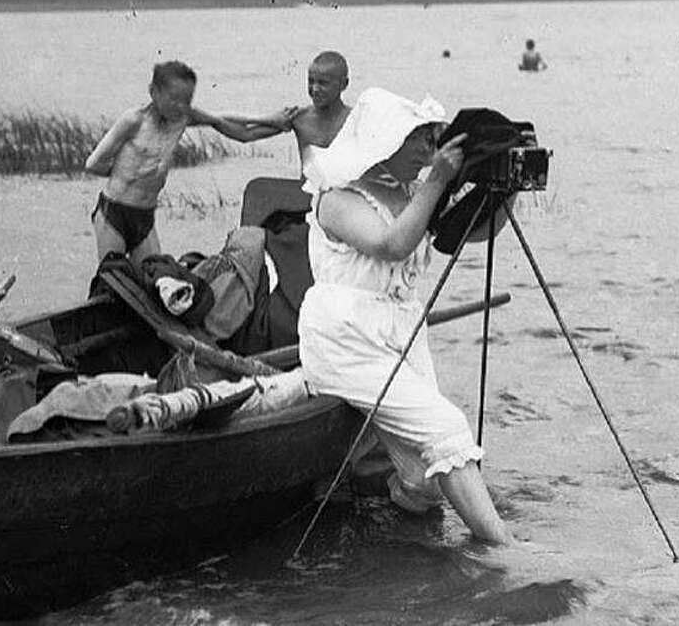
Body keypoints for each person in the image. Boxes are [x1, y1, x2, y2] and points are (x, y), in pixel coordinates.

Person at [297, 86, 513, 545]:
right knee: (447, 429)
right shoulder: (336, 198)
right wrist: (437, 182)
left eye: (431, 139)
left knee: (424, 480)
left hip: (401, 334)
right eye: (418, 138)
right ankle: (504, 548)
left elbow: (470, 235)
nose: (428, 149)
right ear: (384, 140)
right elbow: (391, 244)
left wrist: (504, 189)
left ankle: (397, 539)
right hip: (346, 339)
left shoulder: (411, 193)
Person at [84, 60, 265, 263]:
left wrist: (273, 121)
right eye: (174, 99)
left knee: (154, 274)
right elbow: (92, 164)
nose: (180, 106)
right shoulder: (134, 120)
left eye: (187, 100)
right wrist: (123, 173)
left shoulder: (182, 119)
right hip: (115, 212)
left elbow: (222, 121)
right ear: (153, 92)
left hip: (145, 215)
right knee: (113, 274)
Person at [216, 51, 352, 174]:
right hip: (308, 192)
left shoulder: (357, 120)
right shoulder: (299, 117)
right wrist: (210, 119)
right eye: (311, 81)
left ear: (344, 84)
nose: (315, 89)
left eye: (323, 83)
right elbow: (245, 134)